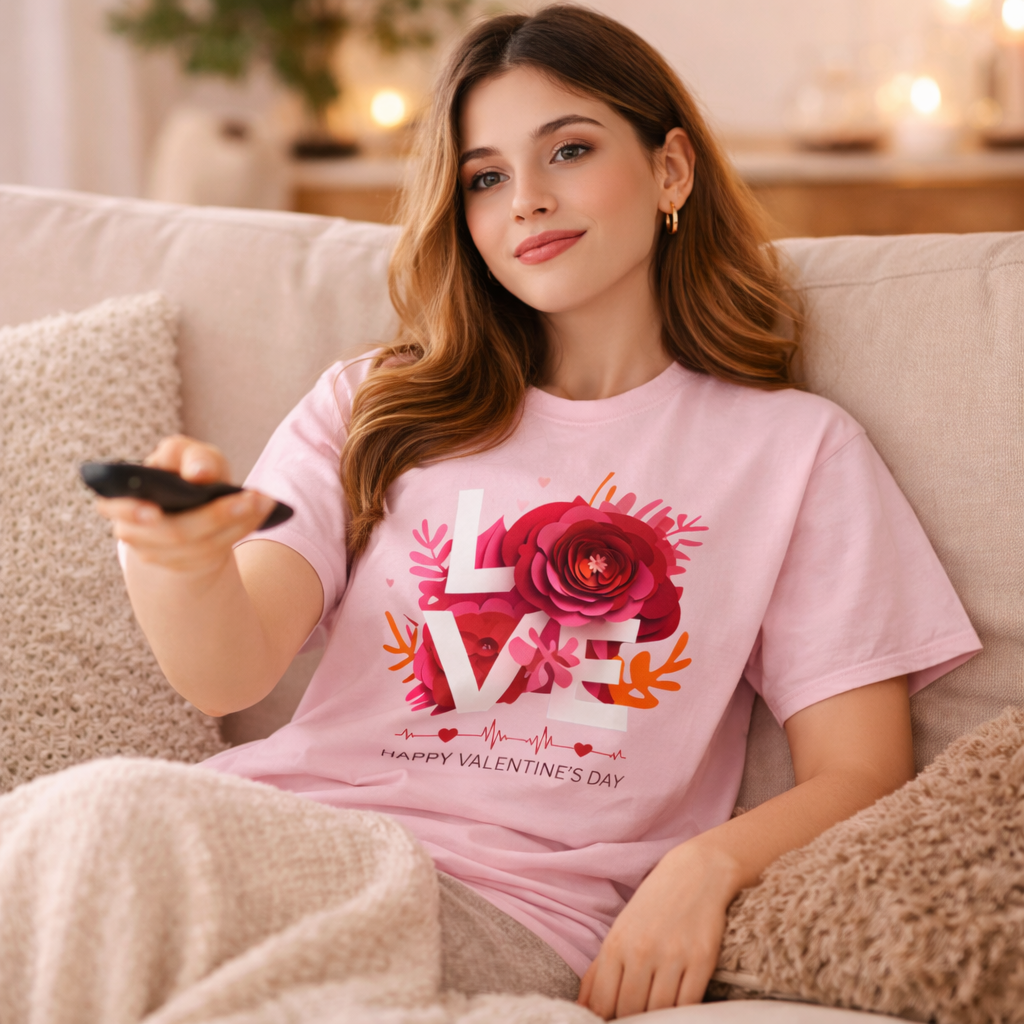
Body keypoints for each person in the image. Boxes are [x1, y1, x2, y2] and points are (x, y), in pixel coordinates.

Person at [91, 6, 980, 1020]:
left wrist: (701, 867)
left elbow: (862, 769)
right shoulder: (375, 403)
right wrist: (177, 561)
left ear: (671, 170)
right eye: (486, 176)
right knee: (94, 820)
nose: (529, 200)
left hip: (509, 911)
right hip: (278, 836)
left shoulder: (795, 451)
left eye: (568, 148)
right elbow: (231, 667)